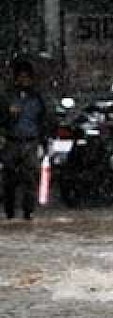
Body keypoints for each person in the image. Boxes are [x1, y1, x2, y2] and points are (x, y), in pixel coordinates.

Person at [2, 58, 52, 221]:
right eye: (21, 77)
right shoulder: (7, 97)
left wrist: (44, 142)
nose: (24, 80)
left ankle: (28, 213)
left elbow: (45, 120)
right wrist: (9, 116)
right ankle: (9, 212)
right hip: (12, 141)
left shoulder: (38, 98)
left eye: (27, 77)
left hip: (31, 142)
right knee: (9, 180)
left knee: (30, 179)